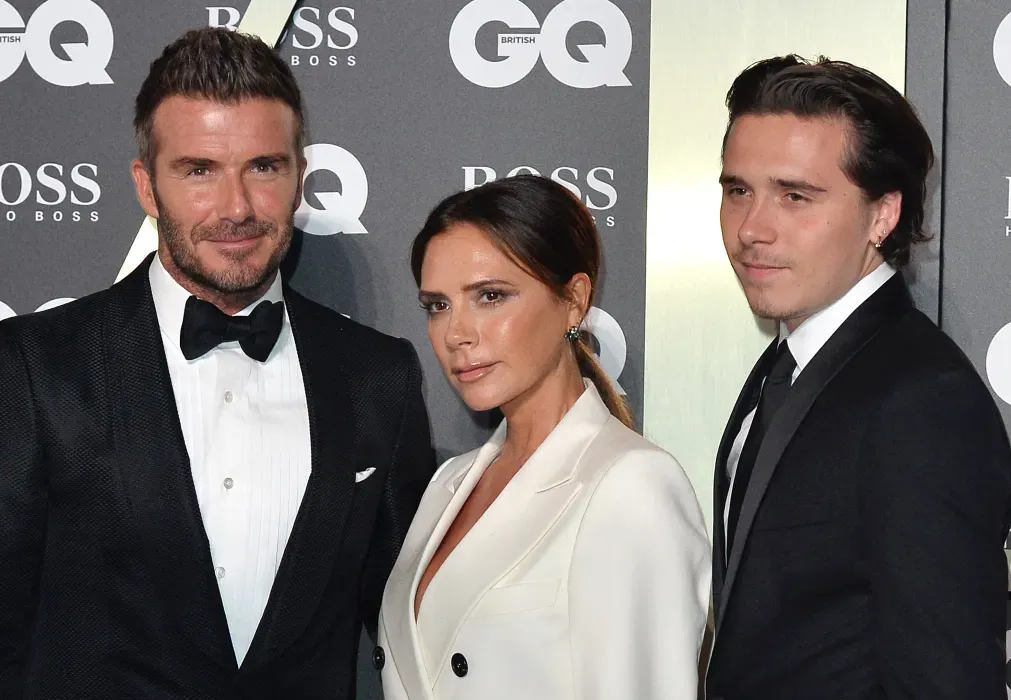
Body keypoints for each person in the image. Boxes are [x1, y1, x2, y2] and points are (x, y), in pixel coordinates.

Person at [0, 27, 434, 699]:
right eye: (199, 170)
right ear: (147, 187)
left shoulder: (378, 378)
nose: (237, 208)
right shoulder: (35, 366)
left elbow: (410, 630)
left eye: (263, 167)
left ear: (299, 179)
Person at [708, 55, 1011, 699]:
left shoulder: (922, 402)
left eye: (795, 196)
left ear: (883, 216)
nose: (752, 228)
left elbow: (947, 679)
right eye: (738, 191)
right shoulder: (789, 363)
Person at [374, 174, 710, 700]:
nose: (457, 333)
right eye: (438, 305)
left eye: (490, 296)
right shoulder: (448, 483)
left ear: (574, 301)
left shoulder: (631, 485)